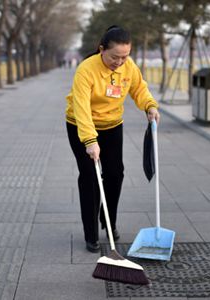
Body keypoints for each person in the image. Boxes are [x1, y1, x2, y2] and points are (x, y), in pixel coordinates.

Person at [65, 25, 160, 253]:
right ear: (101, 50)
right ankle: (91, 234)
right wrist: (89, 141)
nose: (120, 62)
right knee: (90, 176)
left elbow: (139, 89)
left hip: (112, 125)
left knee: (115, 173)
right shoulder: (86, 70)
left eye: (125, 56)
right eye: (115, 57)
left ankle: (108, 221)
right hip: (81, 125)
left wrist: (150, 105)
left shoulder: (128, 67)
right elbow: (81, 107)